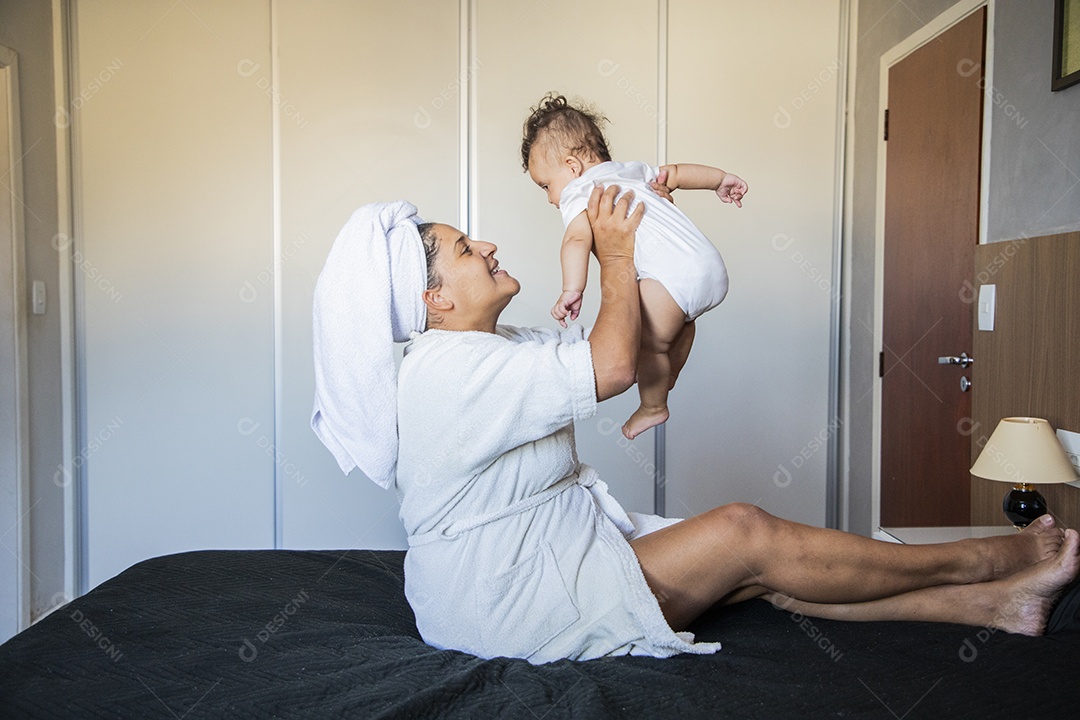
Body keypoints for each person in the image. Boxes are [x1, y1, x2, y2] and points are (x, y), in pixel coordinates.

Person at [310, 187, 1079, 666]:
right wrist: (613, 255)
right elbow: (610, 369)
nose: (488, 245)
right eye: (463, 249)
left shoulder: (490, 348)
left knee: (746, 576)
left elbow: (628, 349)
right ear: (434, 300)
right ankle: (986, 560)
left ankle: (990, 606)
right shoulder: (449, 371)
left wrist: (671, 271)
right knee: (744, 534)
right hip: (507, 600)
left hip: (527, 563)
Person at [522, 93, 748, 440]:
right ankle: (665, 374)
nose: (551, 198)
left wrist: (572, 288)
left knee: (645, 340)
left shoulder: (580, 193)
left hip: (671, 279)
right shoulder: (632, 171)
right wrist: (720, 180)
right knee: (680, 322)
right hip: (708, 264)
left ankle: (653, 406)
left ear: (572, 167)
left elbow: (576, 241)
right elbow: (675, 173)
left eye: (546, 186)